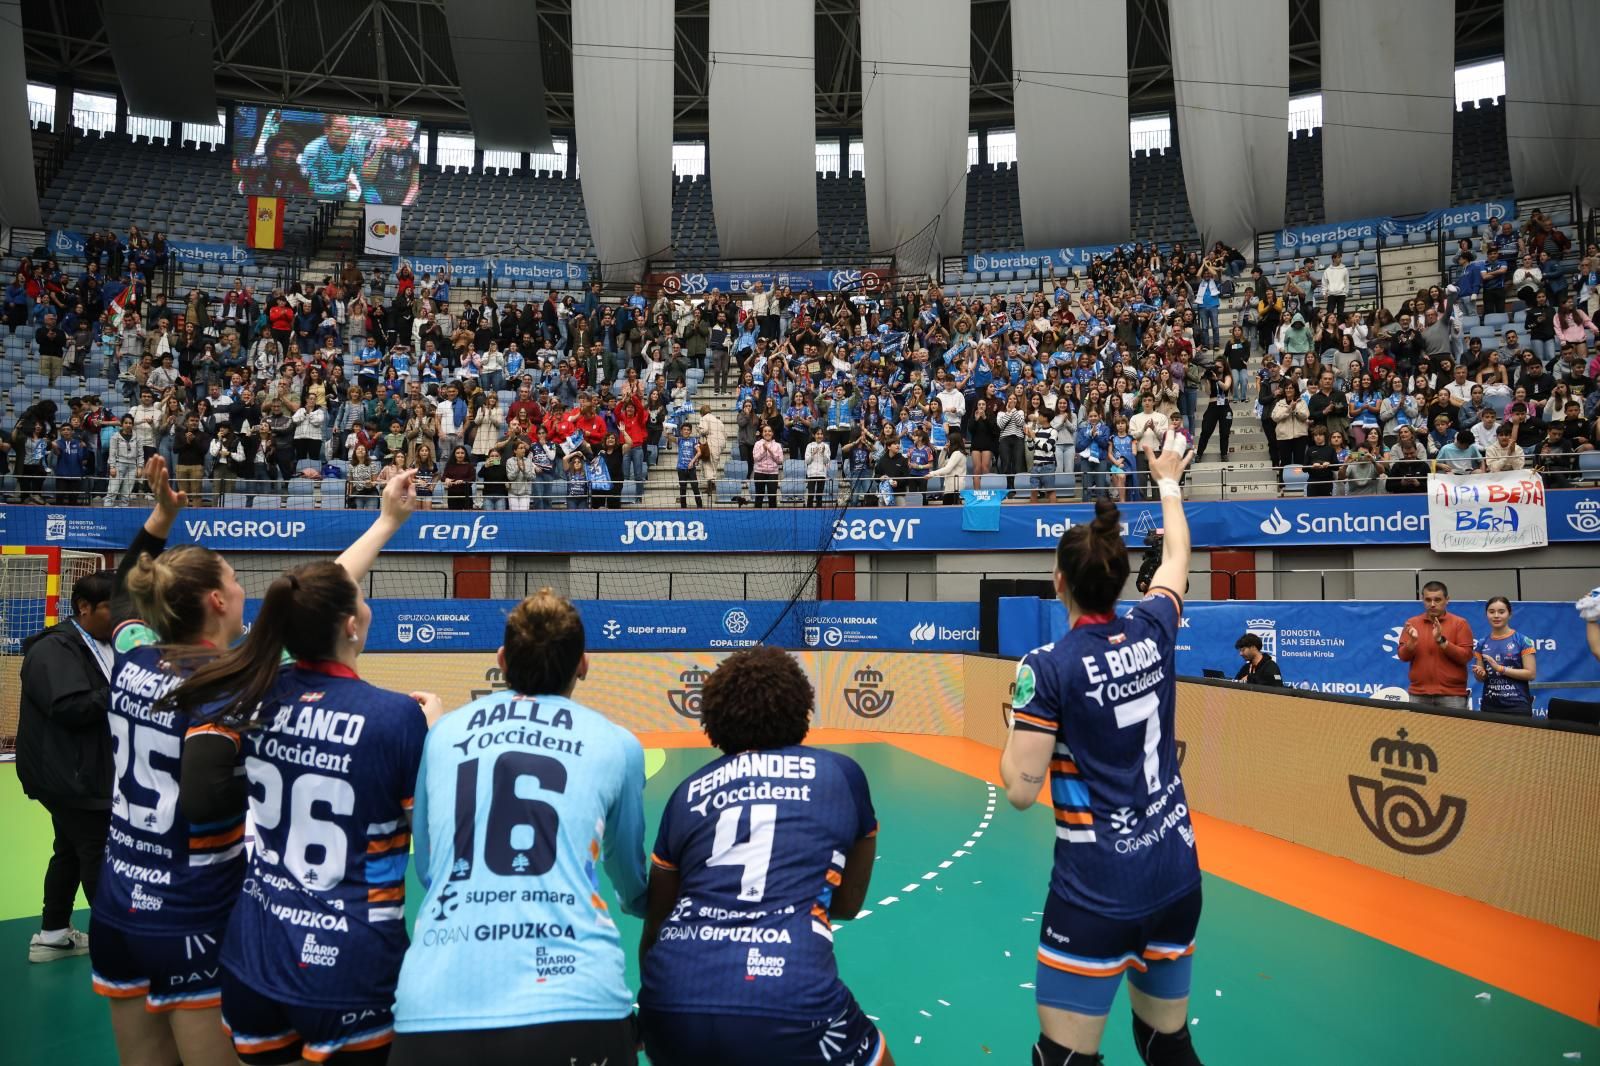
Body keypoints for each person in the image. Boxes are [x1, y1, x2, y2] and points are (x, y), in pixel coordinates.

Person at [170, 469, 444, 1066]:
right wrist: (432, 732)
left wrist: (386, 523)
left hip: (255, 953)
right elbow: (435, 845)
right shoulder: (396, 718)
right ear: (352, 625)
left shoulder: (248, 688)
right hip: (351, 963)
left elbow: (311, 596)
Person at [1000, 432, 1205, 1066]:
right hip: (1176, 872)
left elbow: (1020, 791)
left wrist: (1013, 729)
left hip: (1097, 890)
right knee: (1164, 1042)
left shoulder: (1048, 667)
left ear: (1058, 581)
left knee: (1064, 1058)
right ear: (1119, 581)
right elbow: (1176, 560)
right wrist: (1167, 480)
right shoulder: (1152, 626)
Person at [388, 591, 648, 1064]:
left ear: (502, 661)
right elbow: (630, 880)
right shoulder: (619, 743)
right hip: (576, 1000)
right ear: (584, 665)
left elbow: (429, 868)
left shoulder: (443, 733)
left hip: (437, 1003)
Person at [637, 646, 890, 1066]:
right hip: (787, 991)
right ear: (801, 709)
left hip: (670, 998)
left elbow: (657, 924)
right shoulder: (841, 774)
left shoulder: (687, 792)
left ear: (714, 719)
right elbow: (846, 905)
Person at [88, 456, 246, 1066]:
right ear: (215, 600)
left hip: (119, 901)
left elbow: (127, 584)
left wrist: (161, 517)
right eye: (234, 580)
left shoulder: (132, 658)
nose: (240, 588)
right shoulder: (228, 684)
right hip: (193, 910)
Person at [16, 570, 116, 963]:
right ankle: (116, 948)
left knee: (71, 849)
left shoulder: (103, 643)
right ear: (84, 607)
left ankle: (53, 934)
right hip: (69, 776)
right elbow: (70, 708)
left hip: (82, 772)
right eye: (115, 606)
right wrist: (129, 689)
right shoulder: (53, 649)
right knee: (94, 850)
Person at [1396, 581, 1474, 710]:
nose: (1432, 604)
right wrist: (1412, 642)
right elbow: (1403, 657)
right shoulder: (1412, 623)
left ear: (1447, 600)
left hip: (1452, 696)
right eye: (1428, 600)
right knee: (1418, 731)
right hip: (1418, 694)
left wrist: (1441, 641)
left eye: (1437, 600)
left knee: (1453, 731)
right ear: (1422, 600)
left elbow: (1465, 657)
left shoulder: (1460, 623)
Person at [1473, 597, 1536, 715]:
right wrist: (1479, 674)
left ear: (1510, 614)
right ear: (1486, 615)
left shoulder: (1522, 641)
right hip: (1489, 706)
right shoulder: (1482, 643)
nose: (1496, 616)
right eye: (1491, 612)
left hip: (1517, 706)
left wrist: (1501, 669)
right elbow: (1480, 678)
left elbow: (1531, 674)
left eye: (1501, 612)